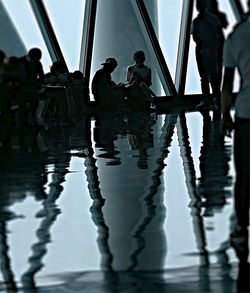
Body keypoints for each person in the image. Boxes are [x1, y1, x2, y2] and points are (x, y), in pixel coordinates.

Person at [220, 2, 249, 291]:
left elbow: (227, 83)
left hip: (245, 113)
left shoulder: (236, 35)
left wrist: (222, 116)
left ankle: (242, 226)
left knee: (243, 174)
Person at [191, 0, 224, 111]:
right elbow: (218, 35)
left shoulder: (196, 21)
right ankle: (216, 99)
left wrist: (204, 47)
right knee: (212, 76)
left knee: (204, 77)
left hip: (201, 51)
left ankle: (207, 99)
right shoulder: (213, 19)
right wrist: (212, 48)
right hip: (212, 51)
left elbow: (195, 37)